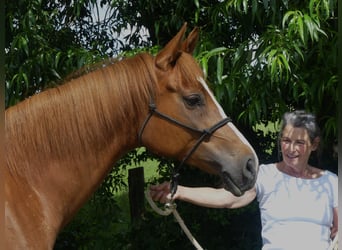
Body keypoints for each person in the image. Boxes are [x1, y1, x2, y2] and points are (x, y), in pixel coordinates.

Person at [150, 110, 338, 250]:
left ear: (314, 145)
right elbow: (227, 198)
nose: (290, 149)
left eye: (299, 143)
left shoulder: (330, 182)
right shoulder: (266, 175)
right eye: (286, 140)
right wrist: (179, 191)